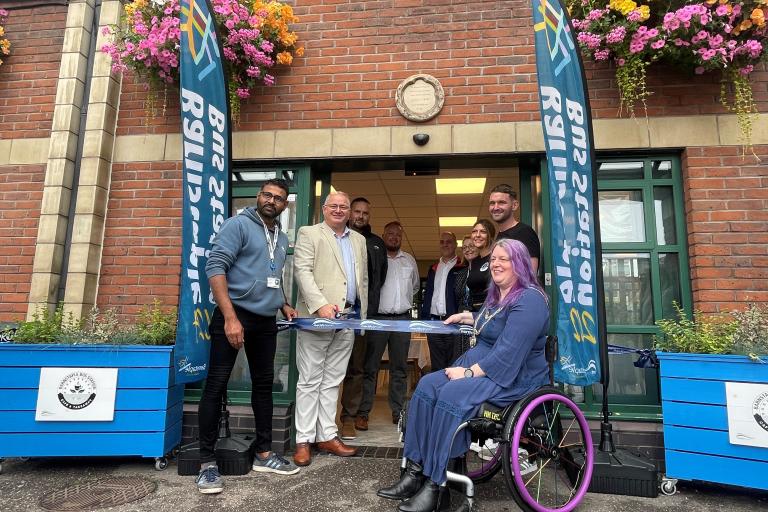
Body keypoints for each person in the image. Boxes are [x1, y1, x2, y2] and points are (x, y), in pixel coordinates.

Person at [376, 239, 550, 512]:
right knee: (426, 386)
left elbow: (508, 354)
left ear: (520, 264)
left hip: (513, 376)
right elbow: (489, 319)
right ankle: (415, 471)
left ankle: (436, 484)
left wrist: (467, 372)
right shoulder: (500, 295)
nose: (496, 264)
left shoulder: (530, 300)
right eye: (493, 259)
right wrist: (465, 316)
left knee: (451, 393)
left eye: (504, 259)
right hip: (485, 367)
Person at [198, 179, 299, 494]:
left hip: (265, 321)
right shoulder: (237, 225)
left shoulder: (280, 237)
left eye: (279, 198)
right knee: (216, 385)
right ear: (259, 197)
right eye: (267, 195)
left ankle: (264, 453)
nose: (272, 201)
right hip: (234, 316)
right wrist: (230, 318)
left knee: (264, 386)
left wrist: (282, 303)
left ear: (284, 205)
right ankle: (206, 463)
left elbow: (272, 275)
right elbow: (215, 268)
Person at [292, 191, 369, 467]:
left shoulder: (358, 239)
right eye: (333, 206)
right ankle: (303, 440)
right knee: (310, 380)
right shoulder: (309, 233)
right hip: (317, 318)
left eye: (344, 207)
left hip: (348, 319)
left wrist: (361, 315)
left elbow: (363, 281)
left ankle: (326, 435)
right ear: (324, 209)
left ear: (349, 212)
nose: (339, 210)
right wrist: (320, 305)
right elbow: (301, 271)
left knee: (333, 381)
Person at [358, 221, 420, 427]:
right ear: (383, 235)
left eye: (398, 235)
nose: (394, 237)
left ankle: (398, 411)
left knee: (400, 368)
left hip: (402, 319)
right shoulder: (375, 256)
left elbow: (414, 288)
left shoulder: (409, 260)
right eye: (390, 234)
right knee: (370, 367)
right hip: (378, 318)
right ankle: (363, 412)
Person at [340, 197, 388, 441]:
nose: (360, 216)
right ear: (349, 213)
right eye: (356, 211)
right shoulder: (338, 238)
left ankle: (348, 418)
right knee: (331, 369)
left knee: (357, 368)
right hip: (335, 313)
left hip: (362, 316)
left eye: (365, 213)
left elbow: (379, 279)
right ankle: (325, 421)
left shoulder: (377, 243)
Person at [420, 232, 467, 372]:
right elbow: (428, 295)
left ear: (455, 245)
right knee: (437, 366)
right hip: (434, 324)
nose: (445, 244)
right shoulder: (433, 269)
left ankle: (451, 394)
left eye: (449, 242)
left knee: (454, 365)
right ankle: (438, 394)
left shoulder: (462, 268)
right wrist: (425, 320)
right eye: (442, 242)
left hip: (454, 324)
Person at [488, 183, 541, 272]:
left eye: (501, 202)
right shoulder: (500, 235)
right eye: (492, 203)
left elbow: (531, 275)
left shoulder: (524, 232)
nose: (495, 207)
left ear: (514, 205)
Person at [465, 219, 496, 312]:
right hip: (475, 312)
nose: (477, 235)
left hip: (492, 310)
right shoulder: (474, 261)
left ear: (490, 235)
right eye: (474, 231)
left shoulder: (495, 257)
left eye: (483, 232)